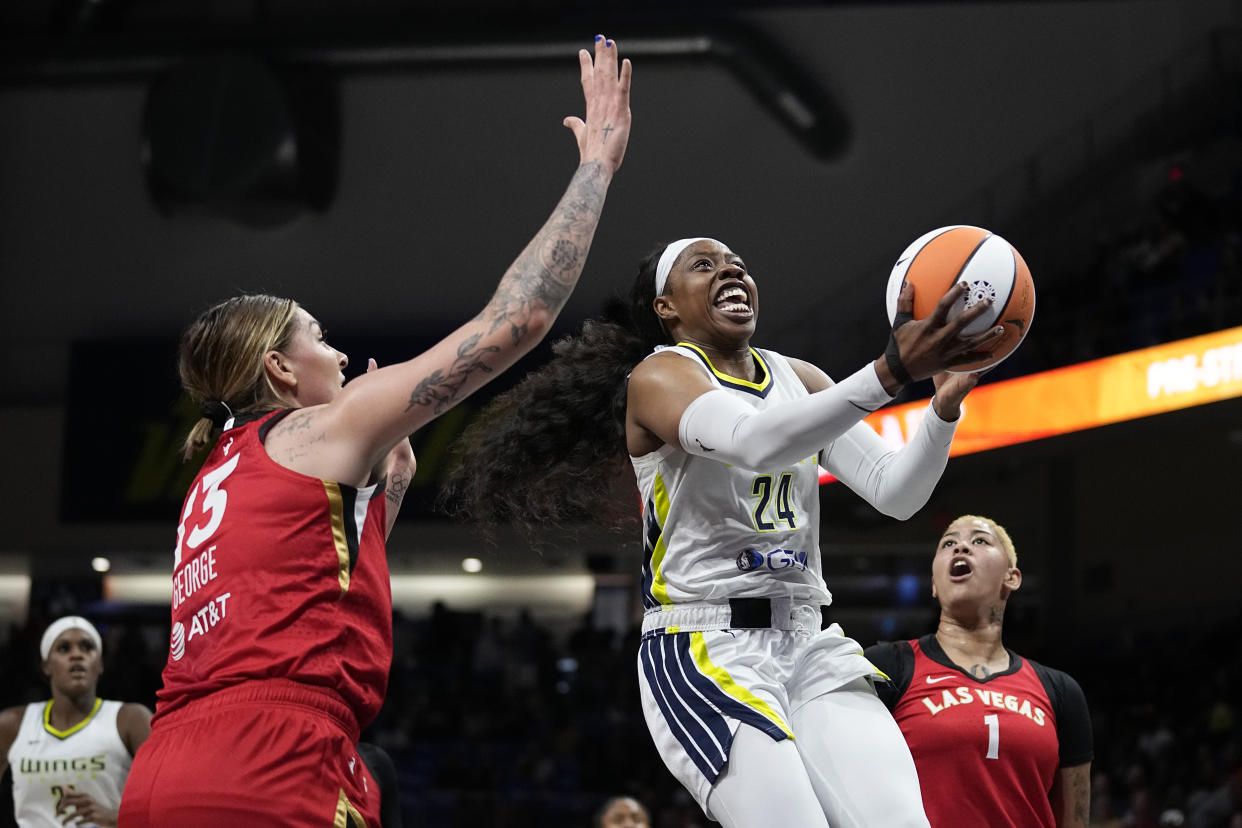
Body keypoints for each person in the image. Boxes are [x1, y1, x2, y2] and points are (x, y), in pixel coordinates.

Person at [117, 35, 632, 828]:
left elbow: (331, 570)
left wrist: (392, 462)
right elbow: (518, 320)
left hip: (165, 771)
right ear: (280, 373)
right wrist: (595, 167)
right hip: (272, 760)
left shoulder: (212, 476)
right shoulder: (319, 429)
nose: (341, 352)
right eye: (319, 338)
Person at [444, 236, 1005, 826]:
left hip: (807, 642)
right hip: (704, 648)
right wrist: (888, 371)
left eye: (738, 264)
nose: (731, 270)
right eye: (704, 265)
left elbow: (896, 494)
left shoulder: (800, 378)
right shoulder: (660, 376)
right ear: (667, 308)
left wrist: (943, 413)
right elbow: (754, 444)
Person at [864, 515, 1093, 827]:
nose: (960, 547)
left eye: (980, 541)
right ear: (934, 583)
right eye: (948, 543)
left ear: (1011, 578)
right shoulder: (886, 666)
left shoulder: (1060, 691)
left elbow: (1075, 820)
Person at [0, 616, 152, 828]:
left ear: (100, 664)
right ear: (46, 666)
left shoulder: (131, 719)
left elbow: (168, 801)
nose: (77, 655)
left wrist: (117, 819)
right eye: (63, 649)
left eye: (87, 647)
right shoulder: (13, 724)